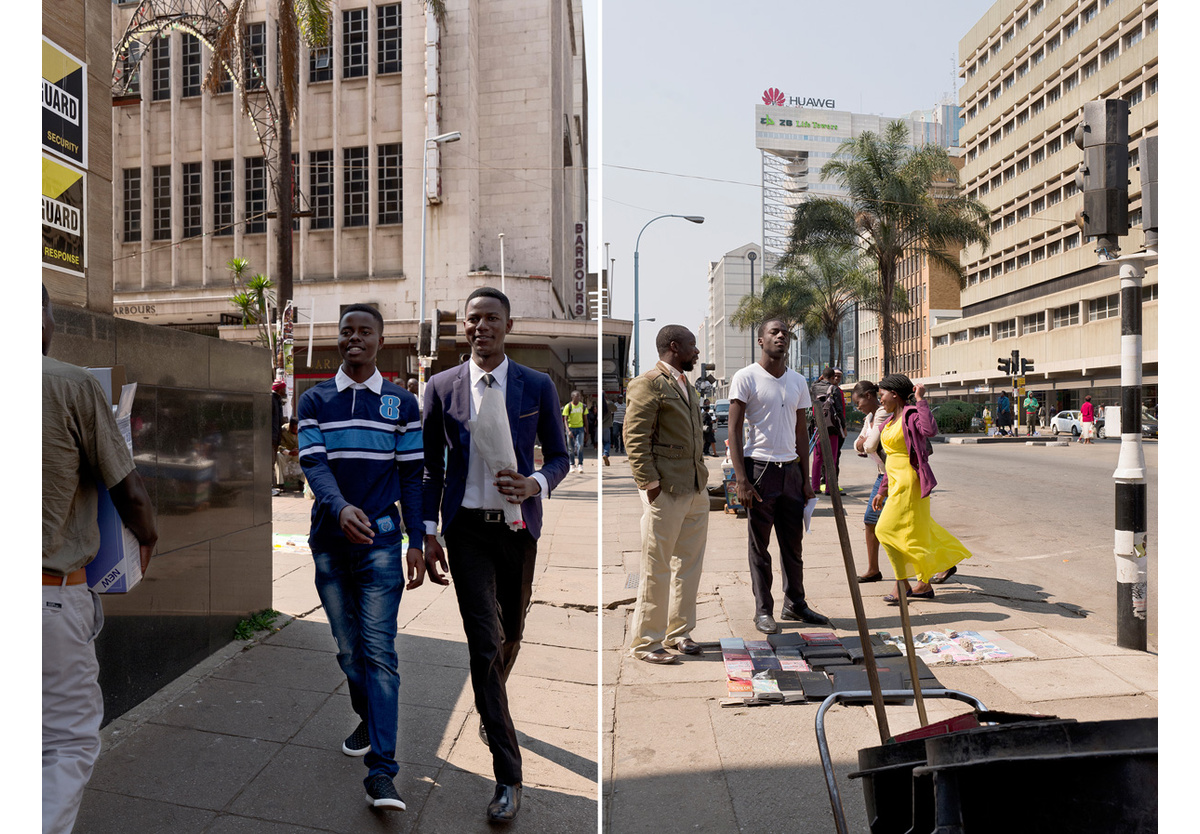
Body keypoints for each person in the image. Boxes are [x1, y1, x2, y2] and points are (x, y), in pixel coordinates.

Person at [422, 287, 569, 823]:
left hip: (517, 532)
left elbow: (559, 456)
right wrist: (427, 530)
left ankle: (491, 702)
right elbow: (432, 466)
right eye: (472, 319)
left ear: (508, 326)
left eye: (491, 319)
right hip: (466, 534)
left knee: (511, 633)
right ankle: (508, 775)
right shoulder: (441, 387)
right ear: (463, 327)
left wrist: (535, 484)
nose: (481, 327)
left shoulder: (536, 385)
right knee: (483, 643)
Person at [297, 303, 426, 812]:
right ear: (338, 340)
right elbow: (314, 464)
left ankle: (383, 772)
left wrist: (417, 540)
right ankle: (367, 715)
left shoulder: (402, 402)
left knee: (379, 653)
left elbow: (413, 477)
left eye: (364, 331)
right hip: (329, 542)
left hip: (381, 545)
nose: (354, 338)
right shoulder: (314, 399)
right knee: (349, 650)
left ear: (380, 340)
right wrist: (340, 506)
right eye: (346, 331)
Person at [43, 284, 159, 834]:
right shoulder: (69, 385)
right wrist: (147, 536)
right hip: (47, 594)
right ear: (43, 319)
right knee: (65, 740)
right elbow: (128, 491)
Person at [728, 320, 829, 634]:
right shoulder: (746, 377)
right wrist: (741, 481)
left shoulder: (798, 381)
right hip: (760, 471)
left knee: (793, 545)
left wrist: (806, 478)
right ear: (761, 340)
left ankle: (795, 603)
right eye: (774, 332)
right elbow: (733, 430)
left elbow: (802, 431)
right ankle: (763, 610)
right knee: (760, 546)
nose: (781, 336)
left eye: (785, 333)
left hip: (791, 472)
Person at [624, 324, 710, 664]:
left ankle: (679, 633)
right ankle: (646, 642)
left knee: (689, 566)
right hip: (666, 491)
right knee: (655, 567)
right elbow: (635, 438)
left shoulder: (685, 384)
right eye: (692, 346)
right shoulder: (648, 383)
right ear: (675, 347)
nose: (697, 351)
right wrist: (650, 486)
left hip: (695, 489)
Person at [870, 375, 971, 604]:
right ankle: (924, 584)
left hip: (909, 483)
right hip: (894, 482)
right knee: (917, 531)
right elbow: (890, 460)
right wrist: (882, 490)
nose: (880, 400)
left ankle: (902, 583)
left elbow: (929, 430)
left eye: (882, 394)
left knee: (884, 530)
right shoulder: (889, 421)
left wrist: (920, 400)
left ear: (894, 394)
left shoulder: (911, 414)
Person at [852, 380, 890, 584]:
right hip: (881, 474)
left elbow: (868, 445)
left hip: (891, 475)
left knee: (905, 526)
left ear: (869, 396)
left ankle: (940, 564)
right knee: (870, 521)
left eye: (858, 402)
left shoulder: (883, 413)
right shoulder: (870, 417)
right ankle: (873, 569)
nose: (857, 407)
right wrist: (864, 443)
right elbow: (858, 444)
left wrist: (864, 443)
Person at [811, 367, 847, 494]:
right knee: (831, 458)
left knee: (818, 457)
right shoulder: (834, 388)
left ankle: (814, 486)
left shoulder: (814, 387)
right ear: (832, 378)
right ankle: (829, 488)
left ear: (822, 376)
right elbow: (838, 410)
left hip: (817, 427)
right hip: (832, 427)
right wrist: (843, 426)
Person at [561, 390, 588, 473]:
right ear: (572, 397)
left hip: (580, 429)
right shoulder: (568, 406)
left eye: (579, 396)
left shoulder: (583, 406)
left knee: (580, 446)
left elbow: (585, 419)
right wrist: (568, 430)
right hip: (571, 428)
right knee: (571, 448)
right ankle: (572, 464)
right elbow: (565, 420)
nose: (578, 398)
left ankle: (580, 464)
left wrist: (587, 431)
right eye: (577, 396)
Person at [276, 417, 301, 489]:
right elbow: (279, 446)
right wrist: (289, 453)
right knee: (278, 455)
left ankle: (302, 482)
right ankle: (280, 483)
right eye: (294, 429)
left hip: (298, 453)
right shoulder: (283, 430)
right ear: (290, 426)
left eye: (297, 429)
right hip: (287, 453)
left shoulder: (302, 430)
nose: (296, 431)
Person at [271, 380, 286, 493]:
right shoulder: (272, 399)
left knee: (272, 462)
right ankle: (269, 487)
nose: (285, 391)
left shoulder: (277, 400)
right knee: (270, 462)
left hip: (275, 438)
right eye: (283, 388)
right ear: (280, 389)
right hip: (271, 437)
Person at [599, 391, 616, 466]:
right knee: (607, 442)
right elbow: (615, 409)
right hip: (606, 427)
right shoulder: (609, 403)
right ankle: (605, 454)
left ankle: (601, 455)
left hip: (599, 427)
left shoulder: (598, 403)